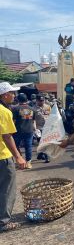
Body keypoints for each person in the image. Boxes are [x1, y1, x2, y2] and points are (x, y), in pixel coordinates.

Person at [0, 82, 27, 233]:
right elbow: (7, 136)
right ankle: (3, 222)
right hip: (2, 156)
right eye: (12, 93)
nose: (14, 95)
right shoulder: (3, 111)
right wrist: (18, 157)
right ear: (4, 95)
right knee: (6, 189)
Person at [11, 93, 36, 169]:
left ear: (18, 100)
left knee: (16, 146)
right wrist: (35, 128)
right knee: (28, 146)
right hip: (29, 130)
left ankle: (21, 161)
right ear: (27, 100)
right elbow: (33, 120)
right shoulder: (32, 109)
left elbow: (13, 121)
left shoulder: (15, 109)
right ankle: (28, 163)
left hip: (18, 130)